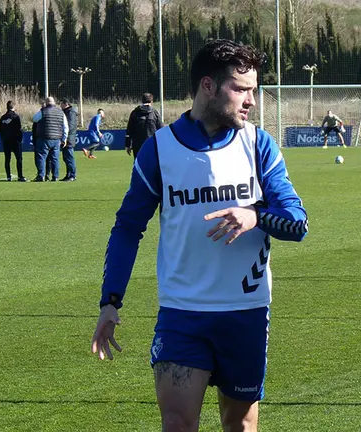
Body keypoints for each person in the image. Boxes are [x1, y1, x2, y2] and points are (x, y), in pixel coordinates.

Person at [90, 39, 308, 432]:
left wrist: (255, 216)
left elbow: (298, 223)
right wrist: (110, 301)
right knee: (176, 422)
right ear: (208, 86)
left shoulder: (259, 145)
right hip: (183, 312)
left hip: (246, 311)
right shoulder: (160, 149)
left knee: (240, 425)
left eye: (253, 91)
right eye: (241, 89)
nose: (251, 101)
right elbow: (127, 228)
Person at [31, 96, 68, 182]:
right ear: (54, 103)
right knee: (55, 158)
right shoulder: (61, 112)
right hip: (56, 139)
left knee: (41, 157)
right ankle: (55, 176)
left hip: (44, 138)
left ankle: (41, 176)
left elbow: (34, 119)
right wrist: (64, 138)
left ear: (46, 103)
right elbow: (65, 127)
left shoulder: (43, 111)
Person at [125, 93, 164, 159]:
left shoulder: (135, 113)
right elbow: (161, 130)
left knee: (138, 165)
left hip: (138, 145)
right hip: (152, 144)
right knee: (152, 165)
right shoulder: (155, 113)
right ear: (151, 101)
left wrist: (128, 145)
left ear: (142, 101)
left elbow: (129, 130)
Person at [0, 100, 26, 182]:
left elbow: (1, 130)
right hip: (15, 141)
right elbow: (19, 129)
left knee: (7, 159)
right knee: (19, 159)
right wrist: (20, 139)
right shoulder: (16, 117)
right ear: (14, 107)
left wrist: (3, 139)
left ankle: (8, 176)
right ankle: (20, 176)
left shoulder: (3, 117)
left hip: (6, 141)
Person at [60, 98, 79, 181]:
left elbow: (70, 126)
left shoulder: (70, 113)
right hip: (67, 138)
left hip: (69, 139)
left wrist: (64, 134)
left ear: (66, 104)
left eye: (61, 104)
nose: (60, 106)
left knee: (69, 157)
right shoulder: (67, 112)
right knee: (66, 158)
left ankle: (72, 175)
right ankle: (68, 174)